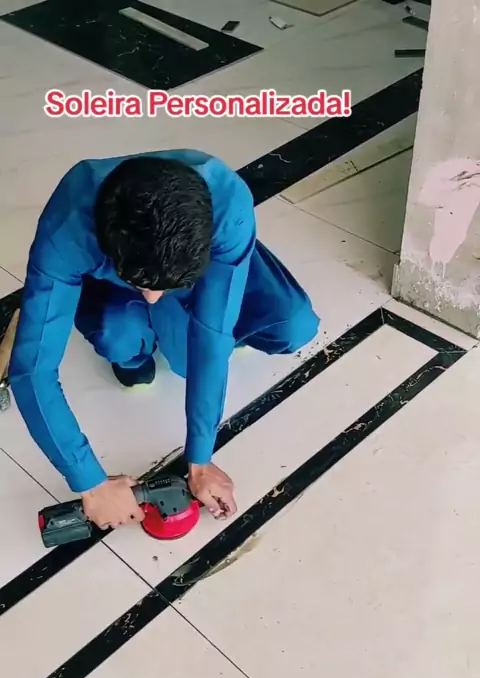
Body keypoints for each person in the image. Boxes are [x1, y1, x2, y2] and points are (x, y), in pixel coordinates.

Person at [10, 150, 319, 531]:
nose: (153, 297)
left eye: (163, 288)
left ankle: (170, 297)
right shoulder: (67, 230)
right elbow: (33, 369)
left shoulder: (228, 206)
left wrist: (200, 459)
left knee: (291, 326)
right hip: (108, 276)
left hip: (193, 258)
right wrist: (89, 481)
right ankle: (126, 342)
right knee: (120, 341)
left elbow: (212, 335)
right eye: (142, 285)